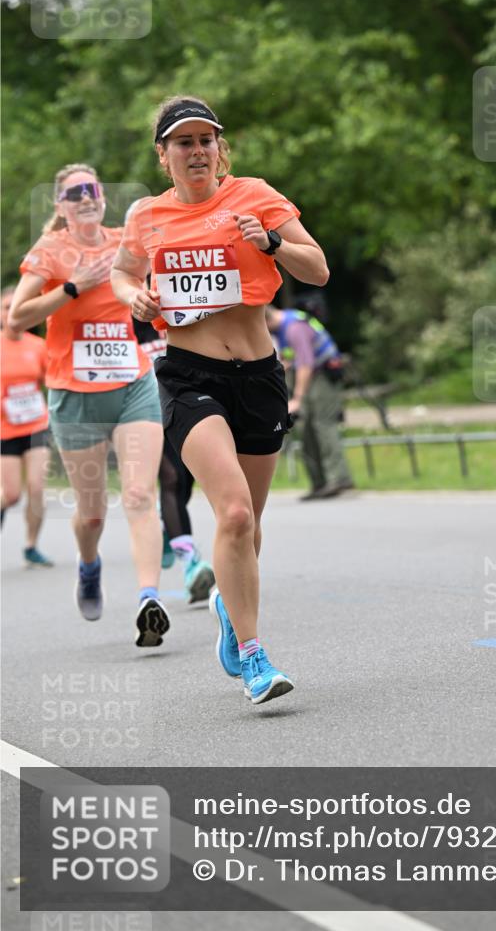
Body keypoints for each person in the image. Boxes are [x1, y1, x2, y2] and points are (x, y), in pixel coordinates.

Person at [111, 94, 328, 704]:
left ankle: (232, 618)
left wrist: (271, 245)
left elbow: (317, 269)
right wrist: (135, 295)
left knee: (249, 526)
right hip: (188, 376)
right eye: (184, 142)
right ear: (164, 155)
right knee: (231, 512)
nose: (198, 150)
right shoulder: (147, 216)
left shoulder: (255, 196)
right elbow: (124, 272)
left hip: (258, 375)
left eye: (207, 140)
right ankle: (256, 661)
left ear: (219, 148)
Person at [8, 165, 169, 647]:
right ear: (60, 205)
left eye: (92, 189)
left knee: (140, 495)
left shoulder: (125, 239)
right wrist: (72, 286)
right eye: (74, 193)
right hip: (74, 394)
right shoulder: (49, 251)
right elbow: (17, 317)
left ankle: (148, 599)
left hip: (132, 383)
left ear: (102, 198)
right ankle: (89, 564)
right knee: (93, 514)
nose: (85, 198)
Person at [133, 312, 215, 600]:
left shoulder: (176, 305)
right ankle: (190, 562)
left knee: (185, 482)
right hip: (145, 415)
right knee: (170, 479)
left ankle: (168, 523)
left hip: (182, 405)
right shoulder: (123, 316)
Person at [265, 305, 354, 500]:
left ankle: (338, 479)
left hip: (322, 376)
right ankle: (319, 483)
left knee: (323, 424)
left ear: (267, 321)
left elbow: (306, 364)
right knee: (305, 429)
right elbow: (291, 358)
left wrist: (297, 398)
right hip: (311, 376)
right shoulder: (282, 328)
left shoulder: (294, 328)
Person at [0, 285, 53, 566]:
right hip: (5, 431)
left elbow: (50, 382)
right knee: (10, 494)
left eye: (15, 306)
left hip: (35, 425)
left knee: (36, 487)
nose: (11, 312)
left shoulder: (37, 346)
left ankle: (31, 545)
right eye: (6, 307)